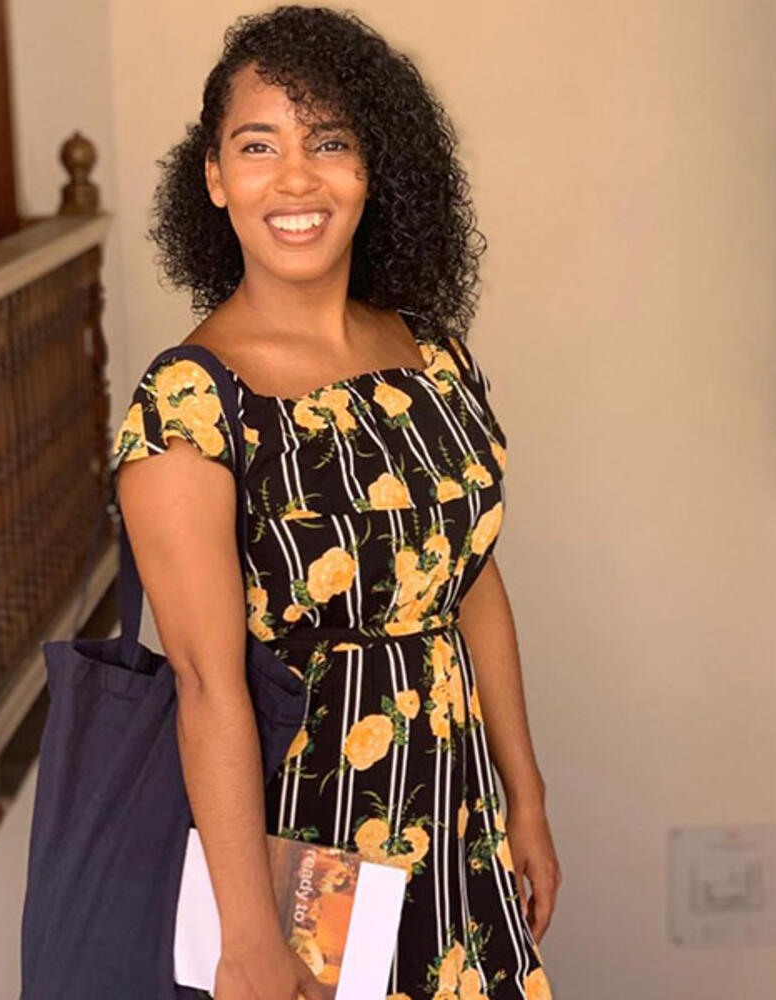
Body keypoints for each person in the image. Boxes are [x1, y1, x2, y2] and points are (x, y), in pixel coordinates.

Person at [111, 6, 560, 998]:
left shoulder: (431, 353)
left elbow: (470, 583)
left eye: (330, 142)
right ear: (216, 177)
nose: (297, 178)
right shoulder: (191, 402)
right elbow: (203, 681)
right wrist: (248, 937)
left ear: (373, 170)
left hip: (453, 812)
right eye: (258, 145)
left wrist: (524, 796)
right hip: (303, 844)